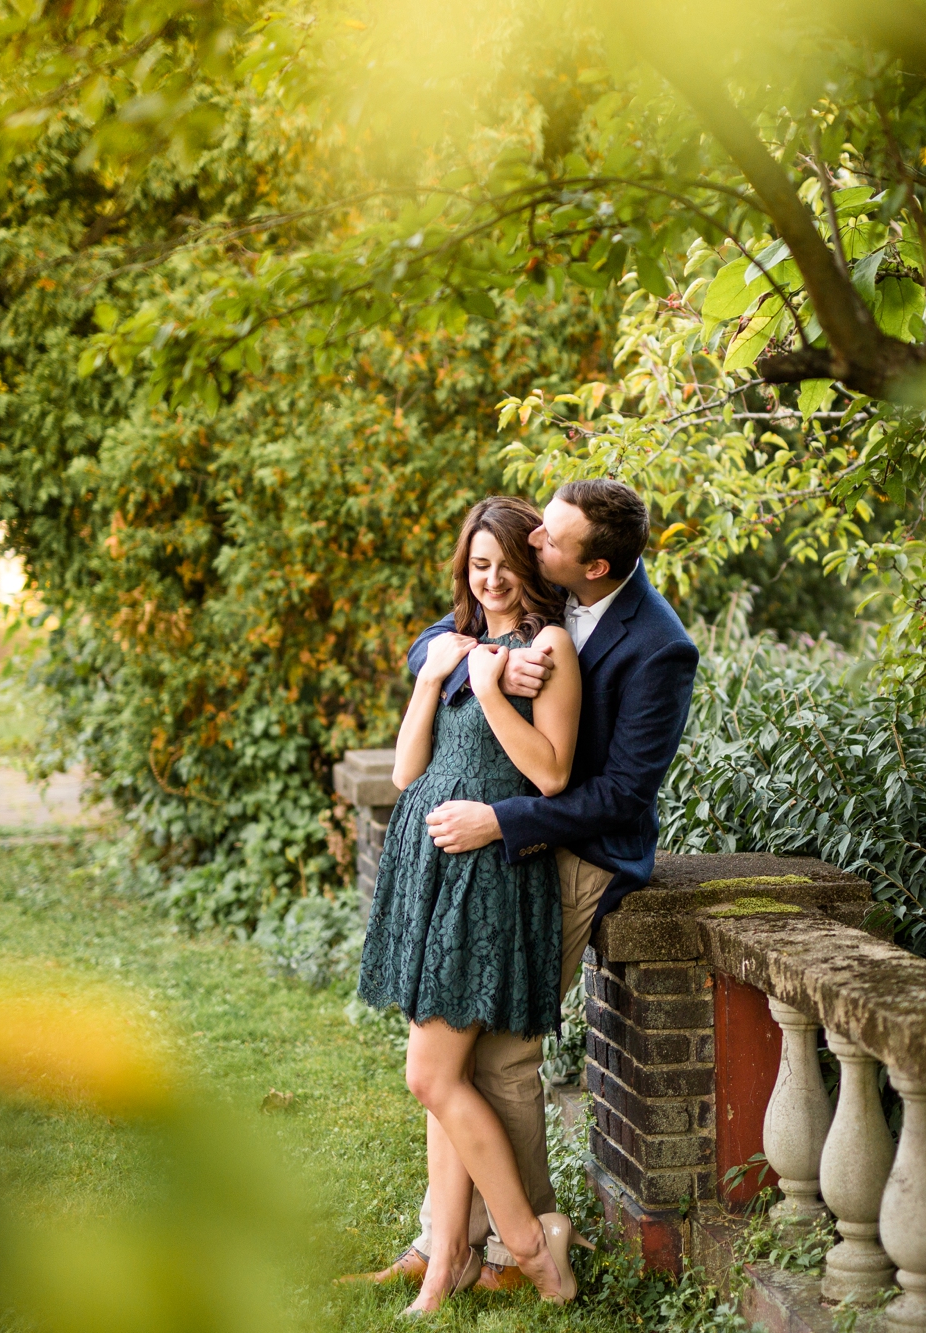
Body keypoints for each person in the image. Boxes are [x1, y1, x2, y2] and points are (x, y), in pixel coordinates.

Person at [342, 478, 700, 1296]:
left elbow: (618, 794)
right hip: (486, 834)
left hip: (576, 849)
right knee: (468, 1053)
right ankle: (453, 1243)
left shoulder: (657, 646)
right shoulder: (540, 594)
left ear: (596, 564)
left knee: (498, 1054)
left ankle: (513, 1248)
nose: (534, 543)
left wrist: (500, 820)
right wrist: (456, 667)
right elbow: (449, 628)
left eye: (549, 541)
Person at [356, 494, 585, 1315]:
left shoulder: (547, 648)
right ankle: (448, 1255)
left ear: (532, 567)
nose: (490, 580)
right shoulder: (456, 645)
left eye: (505, 566)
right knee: (446, 1075)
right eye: (477, 565)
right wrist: (434, 675)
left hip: (489, 875)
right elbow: (407, 772)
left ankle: (530, 1244)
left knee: (430, 1073)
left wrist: (488, 686)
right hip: (430, 866)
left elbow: (551, 774)